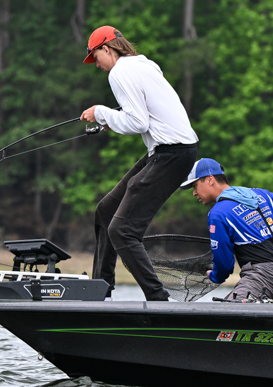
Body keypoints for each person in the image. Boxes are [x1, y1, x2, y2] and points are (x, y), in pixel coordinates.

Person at [80, 26, 199, 301]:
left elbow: (138, 123)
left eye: (95, 57)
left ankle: (158, 299)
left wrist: (101, 113)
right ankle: (100, 291)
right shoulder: (144, 65)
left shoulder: (119, 73)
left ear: (107, 49)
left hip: (172, 153)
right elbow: (145, 114)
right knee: (106, 211)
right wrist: (111, 120)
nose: (96, 64)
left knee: (122, 231)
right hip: (170, 150)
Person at [181, 158, 273, 301]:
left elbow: (224, 265)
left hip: (263, 276)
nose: (194, 193)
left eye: (195, 186)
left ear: (210, 180)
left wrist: (215, 276)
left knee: (229, 311)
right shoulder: (259, 194)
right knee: (228, 308)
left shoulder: (218, 214)